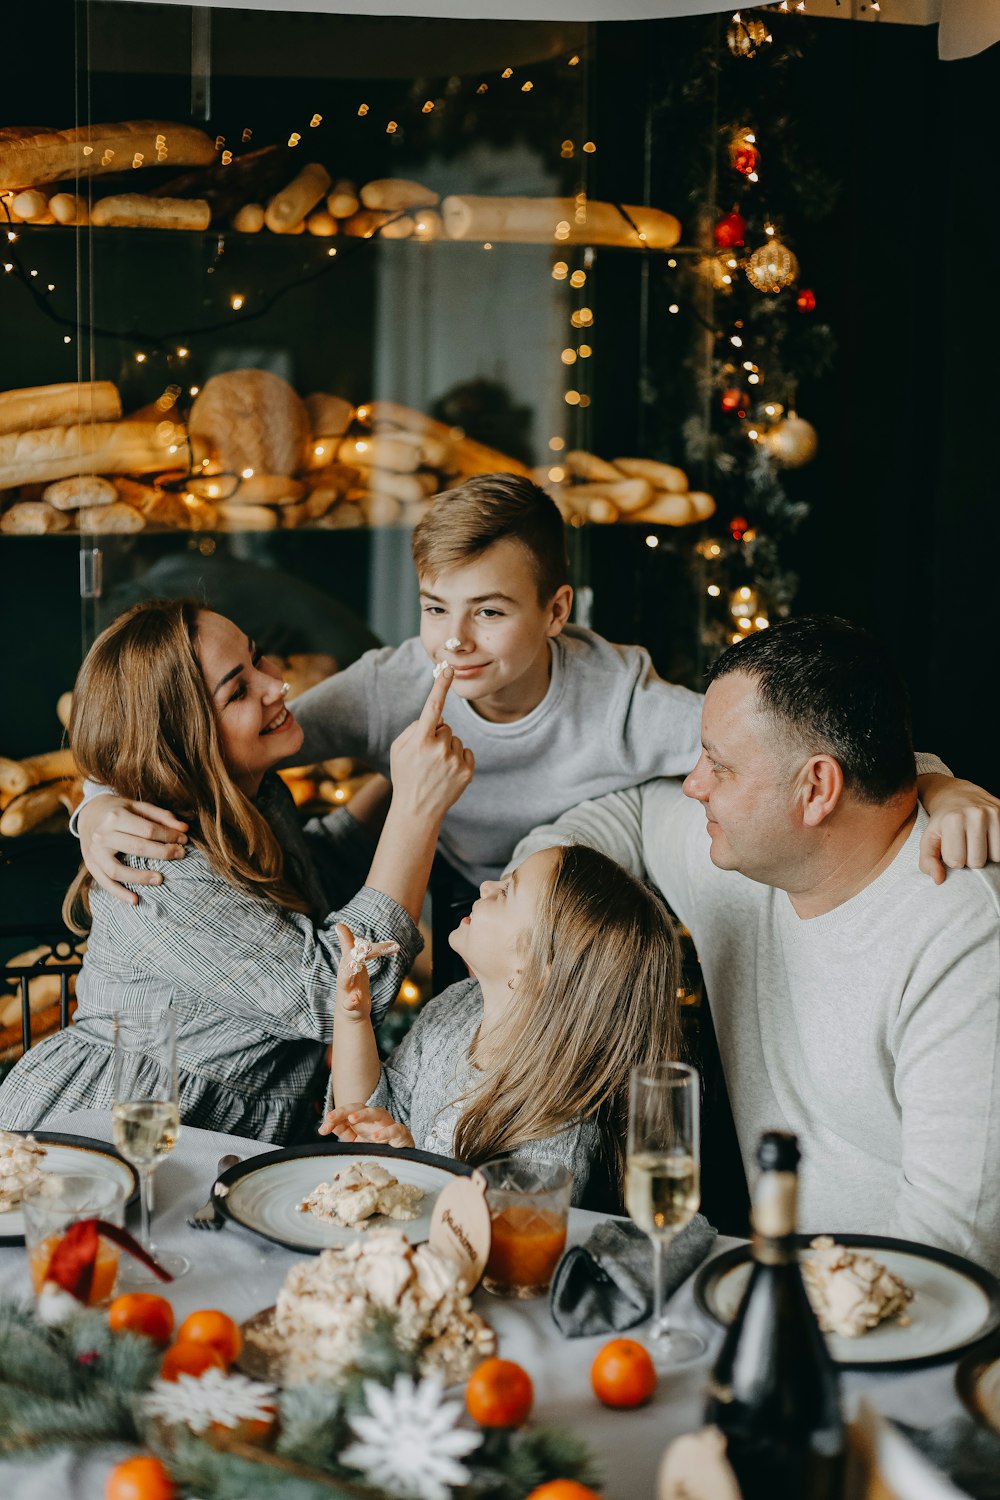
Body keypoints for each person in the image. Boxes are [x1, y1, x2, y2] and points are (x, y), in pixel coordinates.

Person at [75, 477, 992, 971]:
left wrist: (937, 780)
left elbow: (792, 753)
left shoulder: (619, 706)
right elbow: (197, 737)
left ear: (556, 612)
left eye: (490, 612)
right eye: (436, 609)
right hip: (451, 918)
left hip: (583, 930)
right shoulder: (396, 684)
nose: (455, 643)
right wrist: (98, 800)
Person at [510, 616, 1000, 1270]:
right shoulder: (742, 856)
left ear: (818, 788)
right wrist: (531, 917)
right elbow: (623, 812)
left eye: (719, 765)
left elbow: (954, 1248)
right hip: (786, 1295)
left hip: (922, 1337)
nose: (693, 785)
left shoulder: (967, 939)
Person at [0, 599, 473, 1141]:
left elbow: (316, 877)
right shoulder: (159, 867)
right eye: (239, 690)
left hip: (207, 1142)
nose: (277, 686)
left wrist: (406, 774)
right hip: (102, 1132)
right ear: (181, 742)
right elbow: (329, 991)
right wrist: (417, 807)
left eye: (258, 659)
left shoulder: (253, 796)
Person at [319, 843, 681, 1210]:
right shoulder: (454, 1007)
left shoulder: (554, 1129)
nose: (486, 886)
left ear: (536, 964)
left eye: (507, 891)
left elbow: (509, 1241)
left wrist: (415, 1173)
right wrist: (353, 1018)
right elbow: (366, 1115)